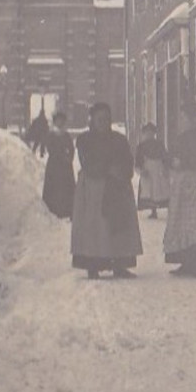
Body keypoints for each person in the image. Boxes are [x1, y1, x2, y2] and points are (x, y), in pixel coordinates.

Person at [71, 102, 143, 279]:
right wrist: (107, 169)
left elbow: (128, 160)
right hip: (95, 189)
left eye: (106, 118)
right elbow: (86, 163)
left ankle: (119, 265)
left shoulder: (119, 139)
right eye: (99, 119)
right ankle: (93, 265)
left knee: (118, 227)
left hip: (117, 186)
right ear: (93, 121)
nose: (103, 122)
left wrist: (122, 172)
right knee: (96, 228)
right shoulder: (85, 140)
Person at [163, 101, 196, 277]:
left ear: (194, 119)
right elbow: (173, 155)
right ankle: (186, 262)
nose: (182, 120)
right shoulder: (183, 137)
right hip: (183, 184)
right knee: (182, 222)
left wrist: (183, 162)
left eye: (184, 117)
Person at [42, 111, 75, 220]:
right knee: (54, 187)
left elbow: (71, 148)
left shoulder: (66, 135)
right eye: (58, 120)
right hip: (54, 165)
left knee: (66, 187)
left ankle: (66, 210)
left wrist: (69, 157)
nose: (60, 122)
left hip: (65, 166)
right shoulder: (51, 134)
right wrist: (60, 155)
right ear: (55, 121)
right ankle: (53, 209)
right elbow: (50, 148)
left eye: (62, 120)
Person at [135, 122, 170, 219]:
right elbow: (138, 160)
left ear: (154, 134)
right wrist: (141, 170)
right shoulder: (141, 146)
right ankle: (153, 210)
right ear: (144, 133)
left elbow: (165, 156)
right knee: (149, 190)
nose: (149, 135)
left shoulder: (159, 144)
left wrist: (165, 167)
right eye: (147, 132)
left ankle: (167, 208)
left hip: (159, 169)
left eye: (151, 133)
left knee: (161, 189)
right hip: (148, 170)